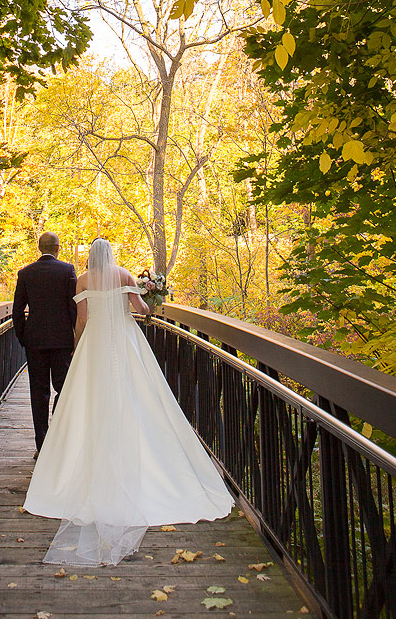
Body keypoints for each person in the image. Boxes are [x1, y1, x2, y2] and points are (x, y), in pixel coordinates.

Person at [23, 237, 233, 566]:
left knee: (88, 400)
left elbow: (81, 319)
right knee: (136, 396)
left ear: (91, 257)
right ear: (111, 255)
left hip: (94, 343)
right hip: (122, 340)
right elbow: (142, 310)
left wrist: (78, 346)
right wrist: (151, 295)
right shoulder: (123, 275)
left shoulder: (82, 280)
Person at [12, 230, 78, 458]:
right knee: (64, 388)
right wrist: (75, 336)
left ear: (40, 248)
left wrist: (23, 336)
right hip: (61, 341)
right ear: (58, 248)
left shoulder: (25, 273)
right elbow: (74, 307)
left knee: (38, 392)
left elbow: (17, 310)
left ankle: (42, 444)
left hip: (35, 340)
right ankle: (58, 436)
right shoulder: (67, 271)